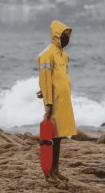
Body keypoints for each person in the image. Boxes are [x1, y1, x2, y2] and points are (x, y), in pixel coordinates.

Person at [36, 20, 77, 184]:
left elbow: (58, 78)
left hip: (64, 101)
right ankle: (49, 174)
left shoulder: (64, 56)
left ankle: (56, 170)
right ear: (57, 36)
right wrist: (47, 102)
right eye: (64, 35)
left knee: (59, 137)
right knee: (52, 137)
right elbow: (45, 79)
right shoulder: (47, 54)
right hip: (53, 102)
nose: (67, 38)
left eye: (68, 36)